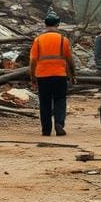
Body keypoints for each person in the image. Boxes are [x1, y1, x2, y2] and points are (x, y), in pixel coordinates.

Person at [29, 8, 76, 137]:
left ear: (45, 24)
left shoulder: (38, 40)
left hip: (43, 76)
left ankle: (46, 129)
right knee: (60, 100)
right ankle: (59, 123)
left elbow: (33, 60)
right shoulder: (63, 40)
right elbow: (70, 60)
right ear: (58, 24)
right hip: (60, 75)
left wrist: (33, 77)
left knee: (45, 102)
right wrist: (73, 75)